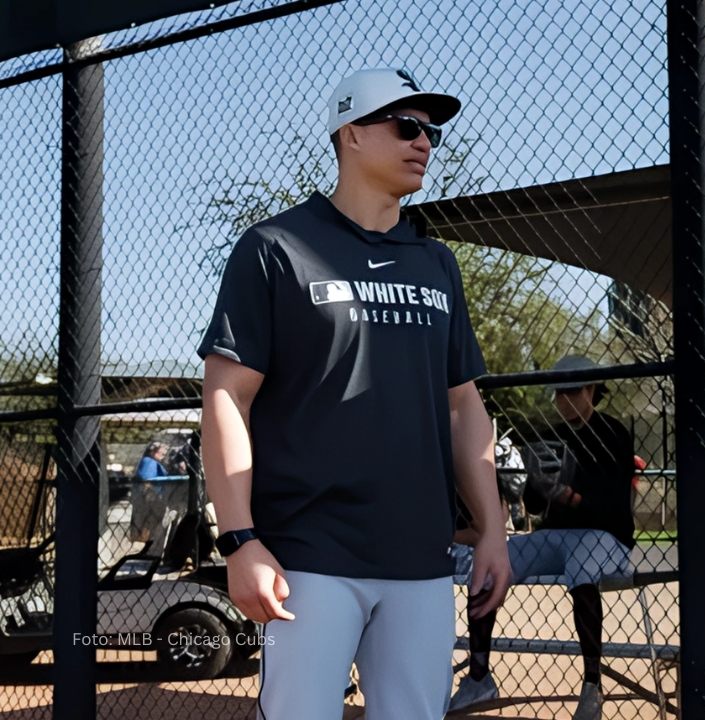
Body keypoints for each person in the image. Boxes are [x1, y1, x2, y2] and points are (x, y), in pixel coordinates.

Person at [198, 67, 511, 720]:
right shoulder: (276, 248)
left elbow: (465, 407)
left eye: (431, 131)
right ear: (351, 135)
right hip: (309, 559)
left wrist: (492, 530)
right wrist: (239, 539)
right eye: (405, 126)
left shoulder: (437, 265)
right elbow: (228, 399)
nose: (423, 141)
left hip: (423, 560)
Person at [450, 355, 635, 720]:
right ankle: (479, 676)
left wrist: (568, 495)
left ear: (593, 390)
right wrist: (536, 485)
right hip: (557, 535)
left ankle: (592, 685)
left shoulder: (614, 433)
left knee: (583, 561)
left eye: (572, 391)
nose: (563, 400)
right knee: (489, 563)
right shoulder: (553, 434)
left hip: (607, 537)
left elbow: (613, 506)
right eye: (559, 393)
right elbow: (534, 506)